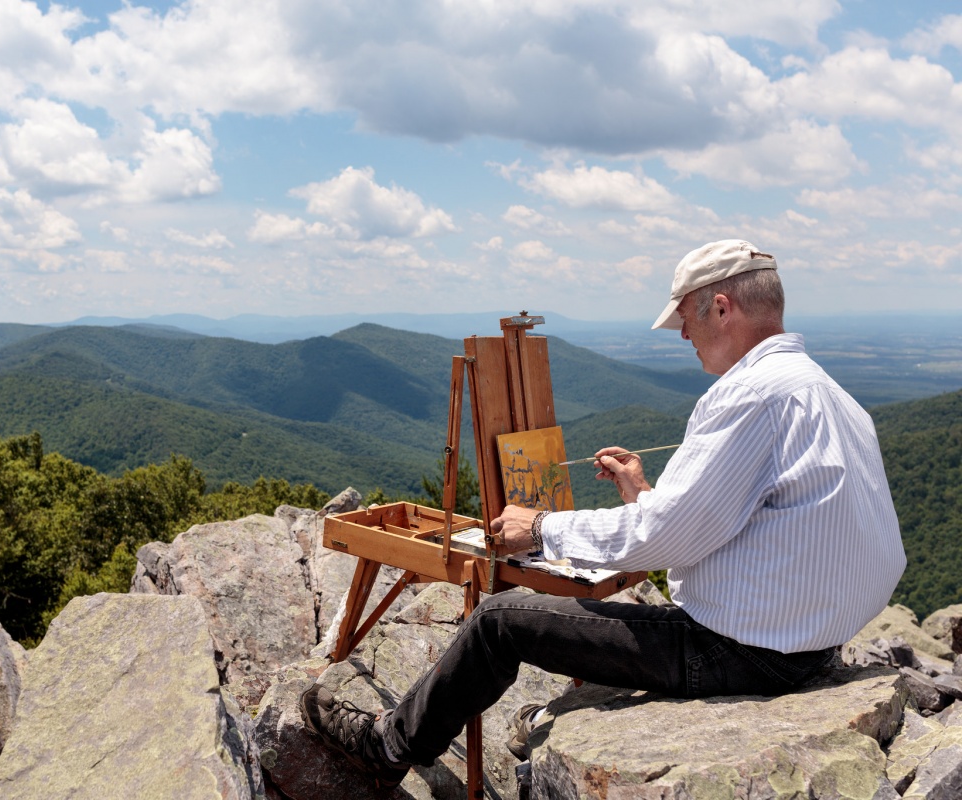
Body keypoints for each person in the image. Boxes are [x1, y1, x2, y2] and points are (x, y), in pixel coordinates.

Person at [300, 239, 907, 788]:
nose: (681, 335)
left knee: (499, 621)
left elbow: (666, 538)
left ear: (722, 308)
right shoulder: (830, 394)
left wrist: (539, 527)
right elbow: (743, 526)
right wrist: (643, 494)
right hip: (812, 645)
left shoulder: (752, 395)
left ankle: (387, 747)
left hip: (744, 653)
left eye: (685, 318)